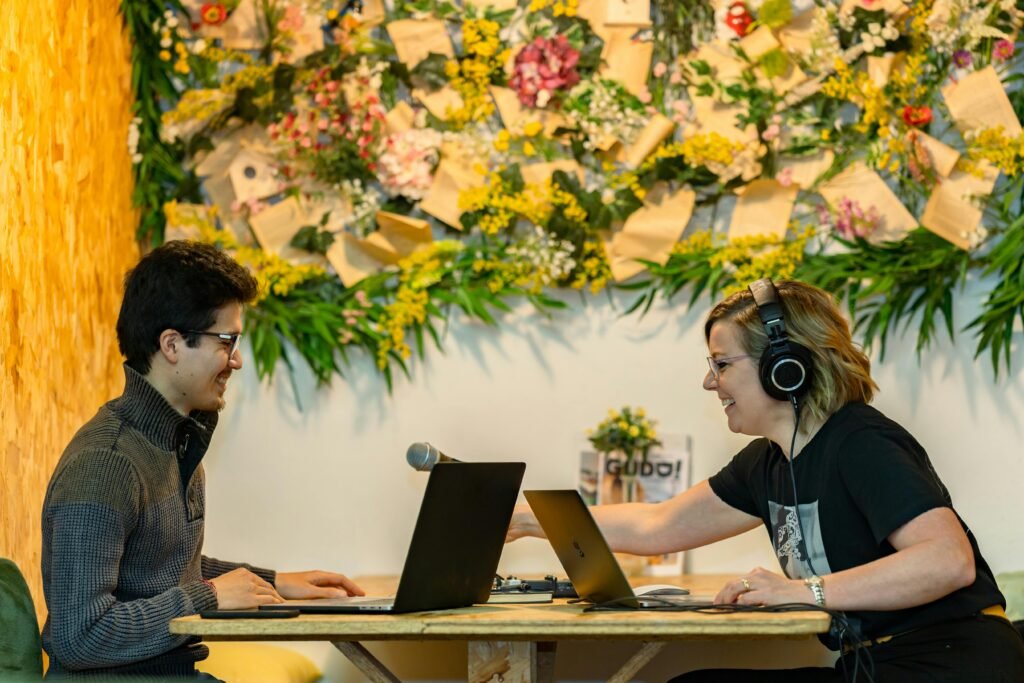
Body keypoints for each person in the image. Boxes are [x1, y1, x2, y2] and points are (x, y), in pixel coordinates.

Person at [508, 279, 1024, 682]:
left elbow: (946, 562)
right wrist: (528, 521)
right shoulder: (766, 463)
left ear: (786, 367)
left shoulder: (861, 441)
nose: (710, 382)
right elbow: (655, 525)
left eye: (722, 364)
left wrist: (803, 591)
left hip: (953, 664)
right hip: (875, 668)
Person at [40, 241, 365, 678]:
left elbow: (159, 566)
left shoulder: (175, 440)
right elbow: (79, 636)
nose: (237, 360)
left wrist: (273, 582)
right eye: (226, 341)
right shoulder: (106, 463)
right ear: (172, 345)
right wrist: (209, 595)